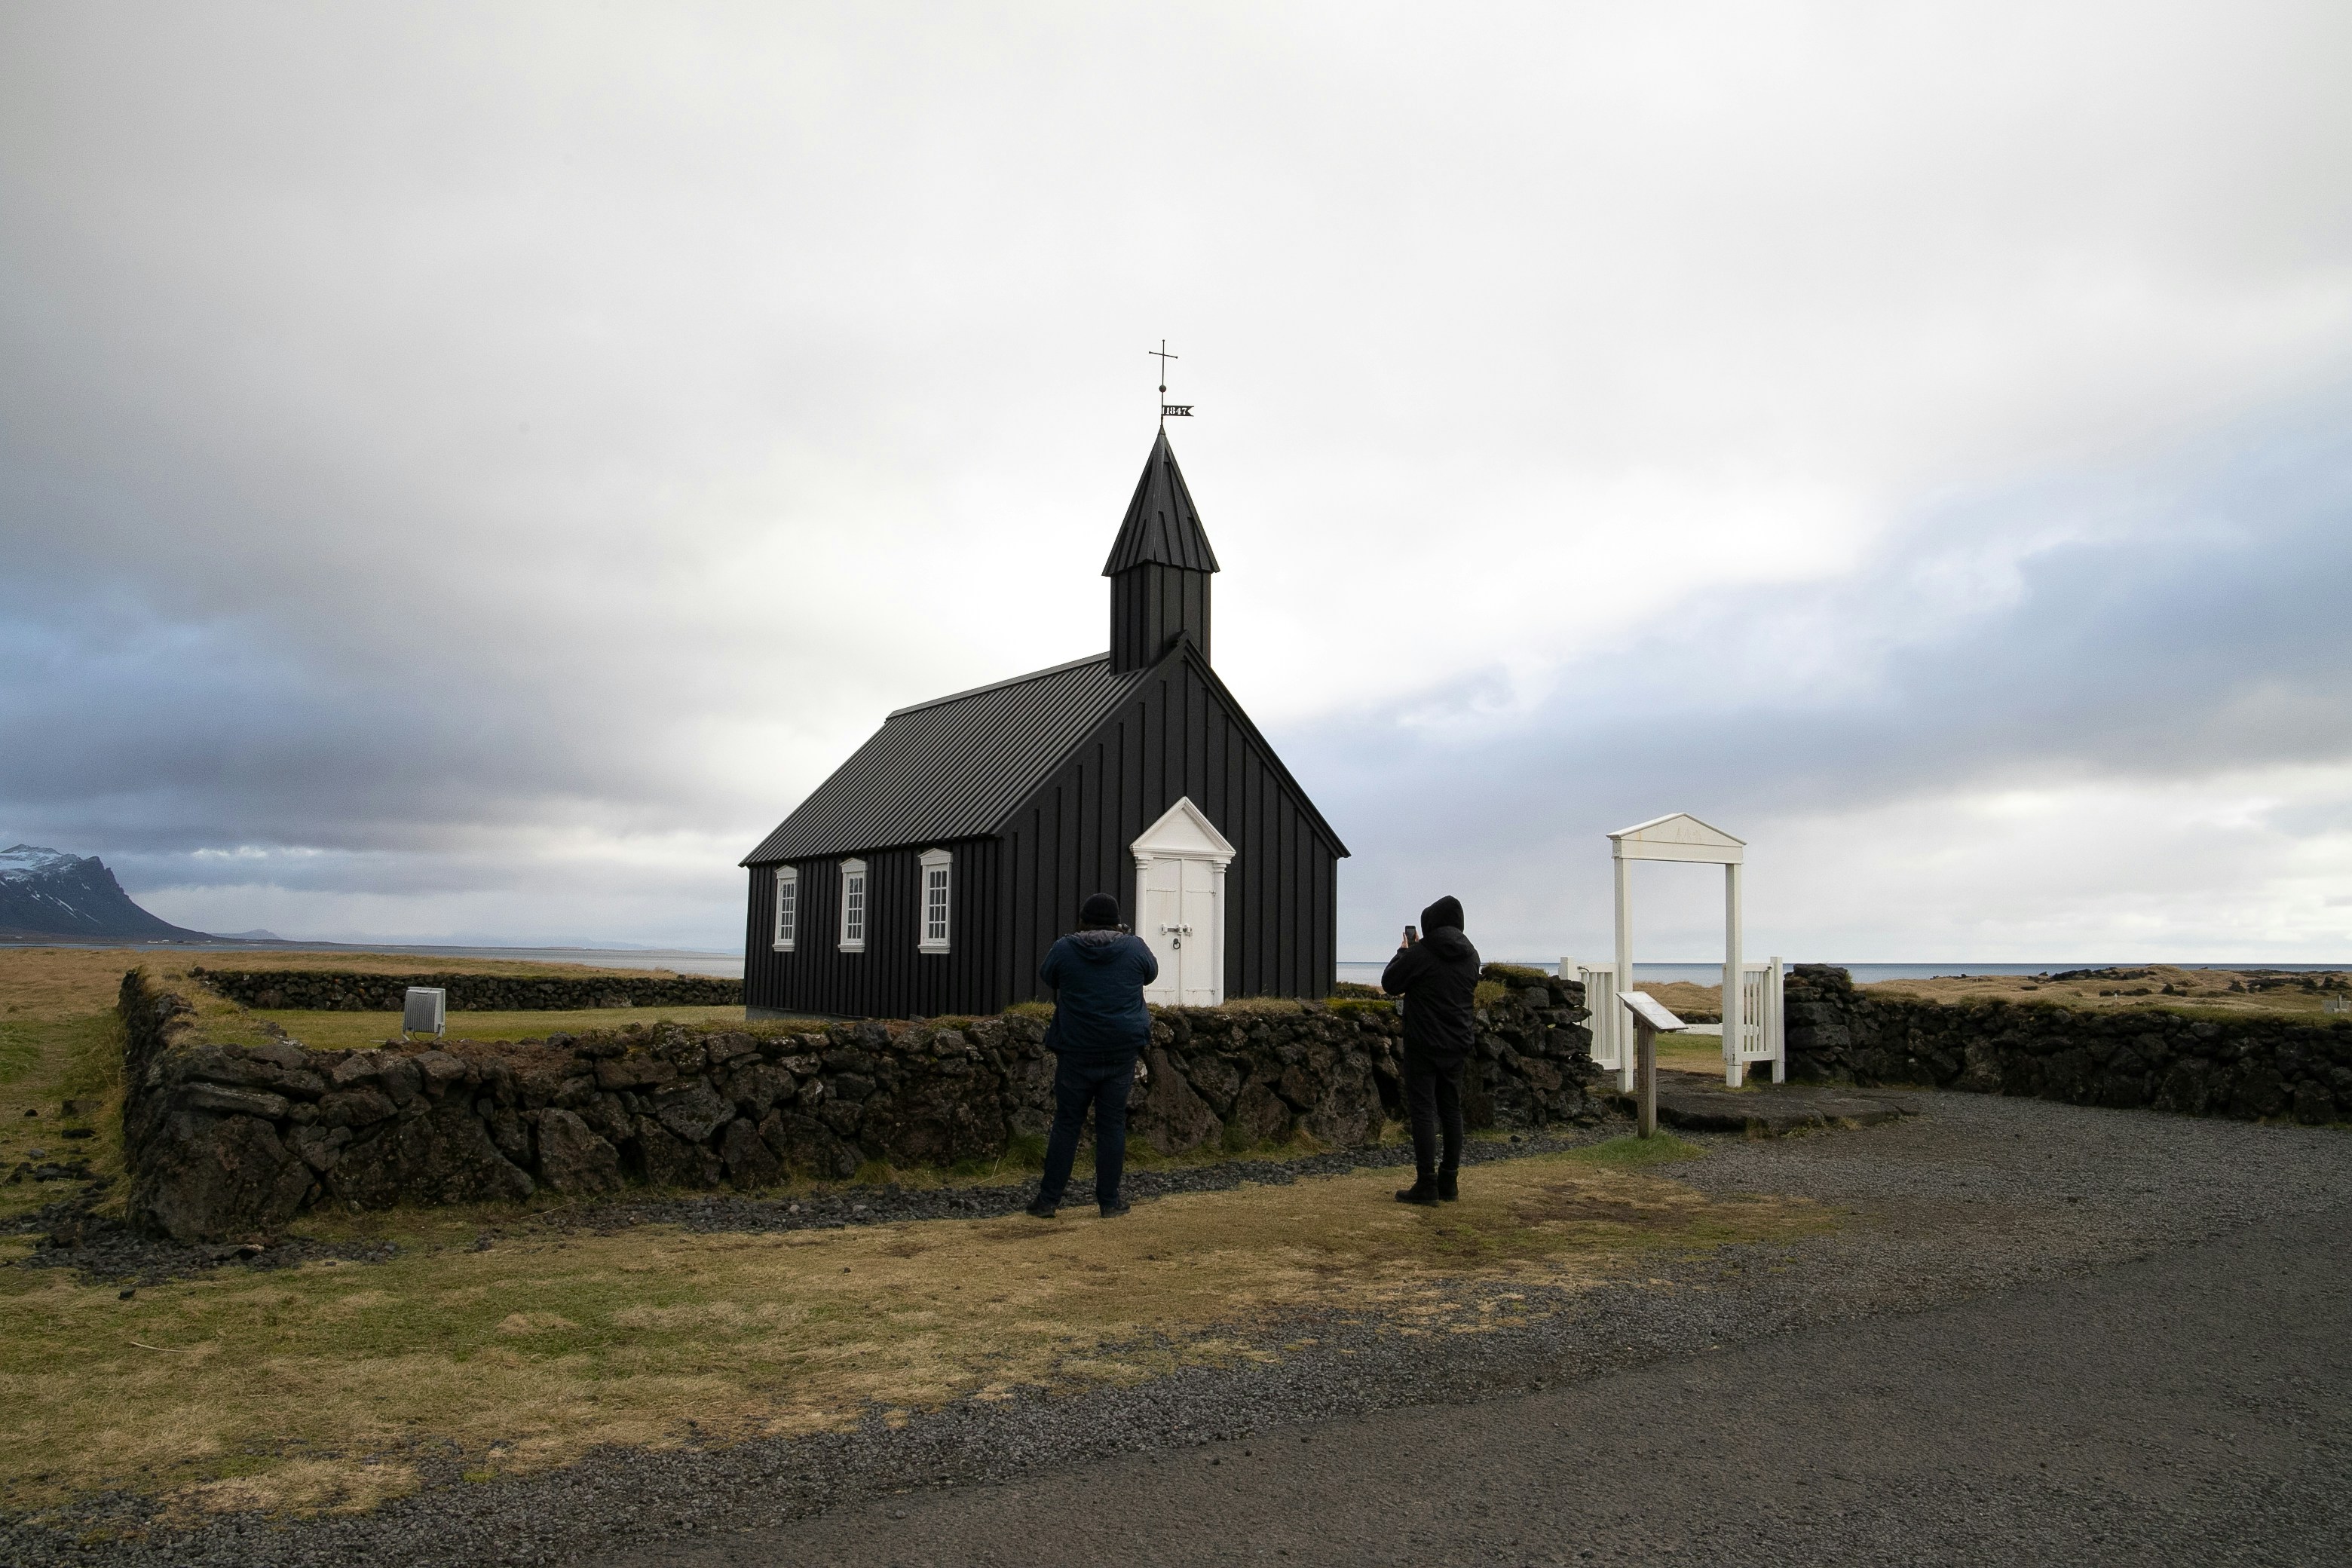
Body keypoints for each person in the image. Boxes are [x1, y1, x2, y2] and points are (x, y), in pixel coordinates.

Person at [1027, 892, 1159, 1219]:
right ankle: (1110, 1202)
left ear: (1084, 919)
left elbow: (1048, 977)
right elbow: (1151, 974)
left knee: (1067, 1124)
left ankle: (1048, 1201)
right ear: (1117, 921)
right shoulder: (1135, 947)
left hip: (1076, 1048)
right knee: (1111, 1125)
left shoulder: (1065, 948)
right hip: (1120, 1049)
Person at [1380, 895, 1481, 1205]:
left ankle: (1427, 1183)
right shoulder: (1471, 955)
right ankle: (1449, 1181)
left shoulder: (1421, 953)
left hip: (1423, 1044)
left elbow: (1390, 983)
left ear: (1430, 923)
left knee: (1424, 1112)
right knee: (1451, 1111)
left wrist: (1403, 951)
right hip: (1457, 1044)